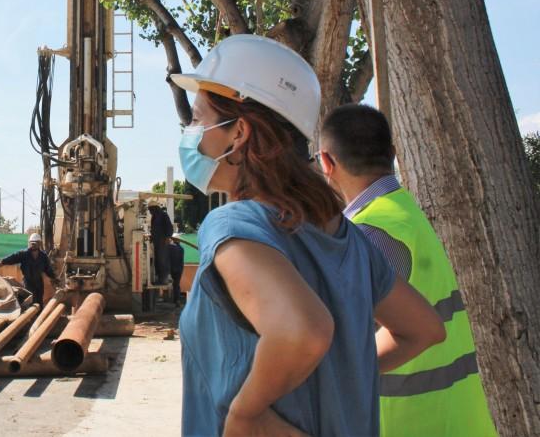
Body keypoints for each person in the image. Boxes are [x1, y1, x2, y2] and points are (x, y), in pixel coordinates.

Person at [170, 34, 445, 437]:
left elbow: (303, 331)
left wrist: (247, 415)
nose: (191, 131)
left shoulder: (231, 226)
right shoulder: (346, 236)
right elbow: (424, 329)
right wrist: (345, 373)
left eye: (198, 118)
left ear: (239, 132)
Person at [319, 103, 497, 437]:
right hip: (458, 420)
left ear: (327, 162)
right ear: (392, 153)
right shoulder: (403, 213)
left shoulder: (366, 234)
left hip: (411, 423)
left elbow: (350, 342)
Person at [0, 233, 60, 307]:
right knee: (29, 303)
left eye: (35, 243)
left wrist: (54, 278)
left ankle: (39, 313)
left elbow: (48, 269)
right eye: (32, 243)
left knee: (39, 302)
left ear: (39, 243)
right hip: (28, 283)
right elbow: (12, 258)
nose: (33, 245)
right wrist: (1, 263)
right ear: (29, 243)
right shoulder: (23, 254)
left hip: (39, 284)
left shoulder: (43, 256)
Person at [149, 204, 174, 284]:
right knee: (158, 260)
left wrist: (167, 237)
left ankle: (164, 279)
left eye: (150, 210)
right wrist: (151, 238)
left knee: (162, 260)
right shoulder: (154, 217)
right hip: (156, 242)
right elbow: (153, 229)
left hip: (163, 241)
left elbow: (169, 227)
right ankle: (159, 278)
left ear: (155, 208)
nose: (149, 212)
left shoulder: (163, 215)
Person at [168, 235, 185, 305]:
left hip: (171, 269)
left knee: (170, 283)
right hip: (179, 269)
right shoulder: (181, 249)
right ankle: (177, 300)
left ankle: (173, 299)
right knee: (176, 284)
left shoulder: (170, 247)